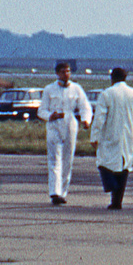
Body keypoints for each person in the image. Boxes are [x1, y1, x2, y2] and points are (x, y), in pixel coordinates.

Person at [36, 61, 92, 205]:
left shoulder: (76, 88)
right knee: (54, 159)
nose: (66, 74)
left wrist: (86, 120)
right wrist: (50, 116)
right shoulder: (49, 89)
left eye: (68, 71)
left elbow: (85, 107)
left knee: (67, 159)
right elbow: (41, 111)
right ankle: (54, 192)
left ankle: (62, 192)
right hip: (54, 125)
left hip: (70, 124)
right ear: (57, 73)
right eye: (63, 71)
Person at [91, 67, 133, 210]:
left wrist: (94, 136)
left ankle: (111, 187)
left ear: (112, 78)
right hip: (128, 134)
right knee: (124, 166)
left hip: (110, 134)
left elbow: (99, 118)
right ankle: (117, 200)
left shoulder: (106, 94)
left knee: (104, 163)